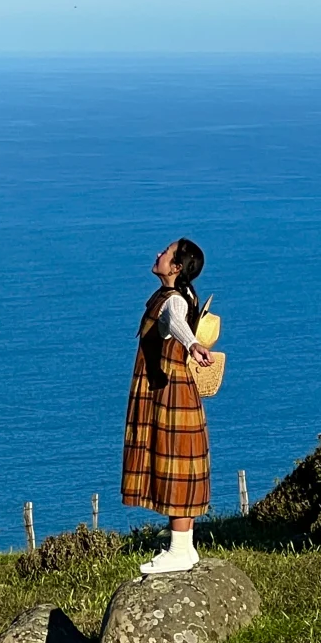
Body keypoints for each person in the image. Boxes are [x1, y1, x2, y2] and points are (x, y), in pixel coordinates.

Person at [121, 237, 214, 574]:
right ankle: (184, 547)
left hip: (169, 392)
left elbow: (175, 322)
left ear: (175, 268)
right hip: (175, 389)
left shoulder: (173, 299)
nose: (158, 253)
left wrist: (191, 344)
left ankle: (179, 549)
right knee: (178, 465)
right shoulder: (185, 295)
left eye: (166, 253)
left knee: (173, 464)